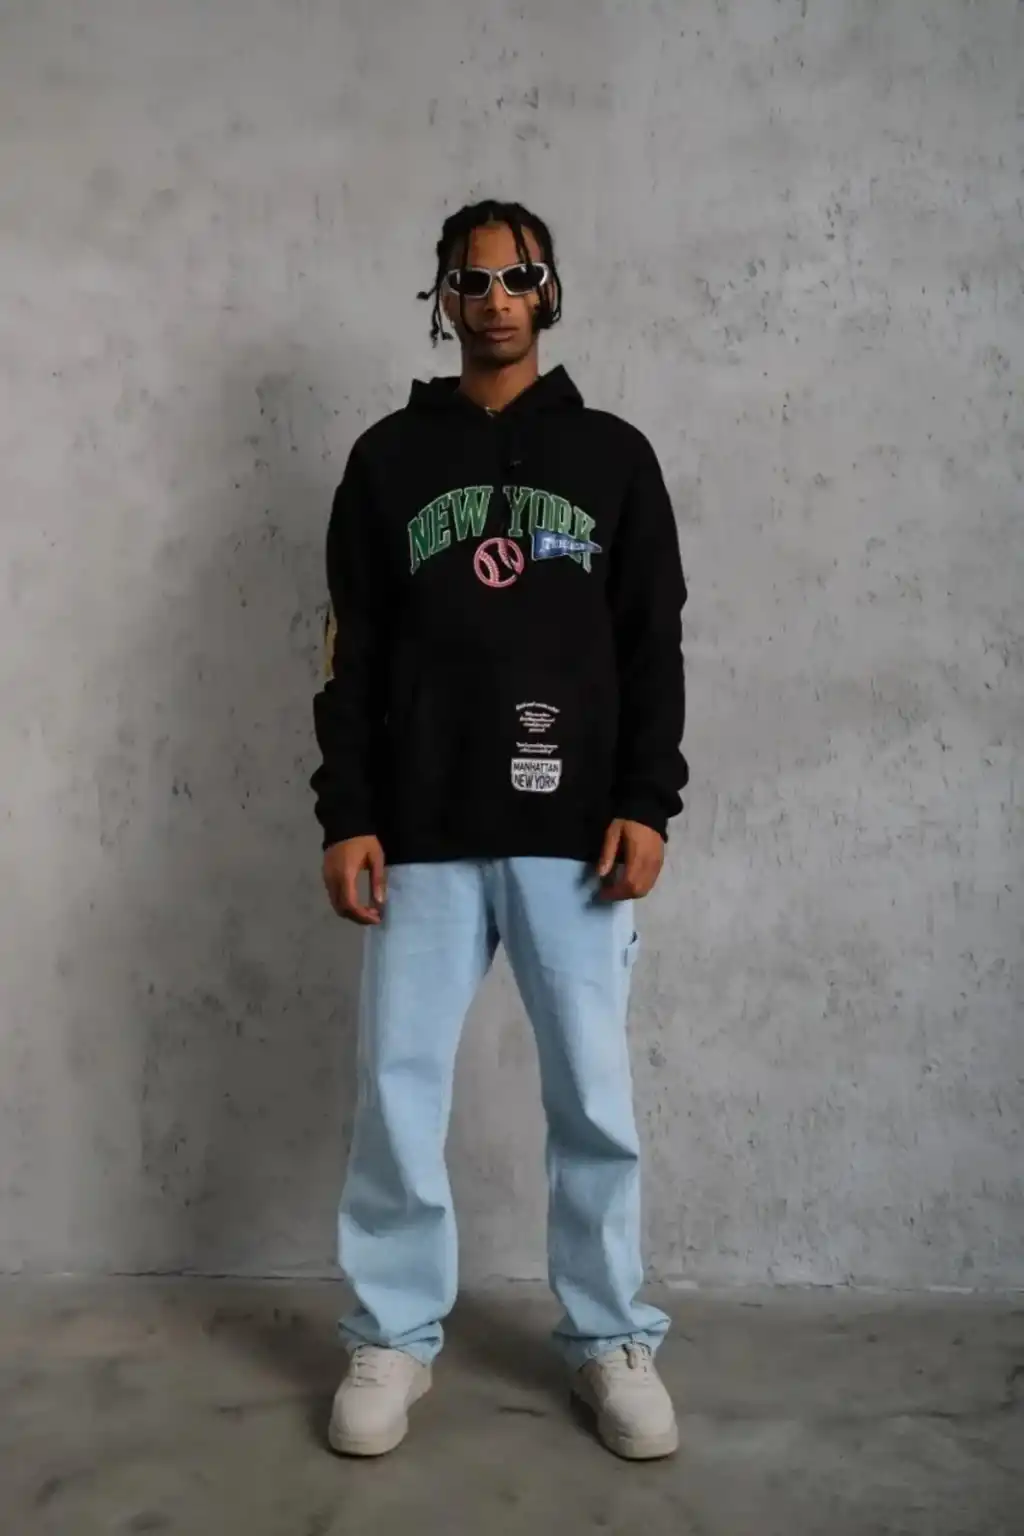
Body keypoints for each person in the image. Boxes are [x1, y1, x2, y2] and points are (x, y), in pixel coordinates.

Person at [311, 199, 688, 1461]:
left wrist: (646, 799)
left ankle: (610, 1336)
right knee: (397, 1092)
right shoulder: (386, 461)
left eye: (518, 275)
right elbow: (350, 653)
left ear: (550, 290)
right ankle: (392, 1333)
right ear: (442, 298)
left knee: (592, 1098)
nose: (496, 298)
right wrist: (348, 815)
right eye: (471, 280)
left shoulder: (614, 456)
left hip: (575, 834)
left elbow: (650, 645)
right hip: (419, 827)